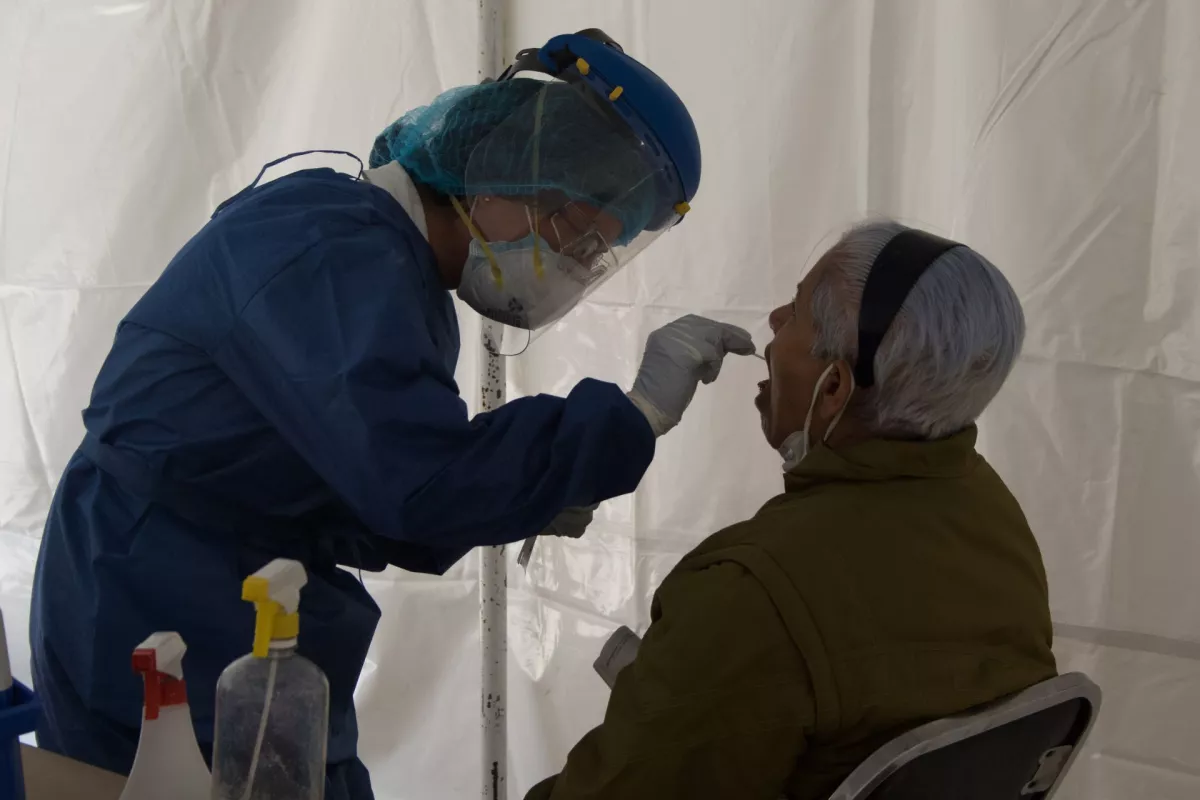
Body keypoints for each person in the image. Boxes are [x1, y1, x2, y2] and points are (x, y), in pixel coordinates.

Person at [29, 31, 753, 800]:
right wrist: (630, 418)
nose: (573, 264)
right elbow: (420, 483)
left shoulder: (396, 269)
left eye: (594, 251)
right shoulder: (333, 250)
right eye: (571, 231)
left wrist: (532, 489)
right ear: (498, 175)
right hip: (157, 596)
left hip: (220, 584)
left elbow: (380, 495)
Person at [527, 220, 1058, 800]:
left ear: (834, 388)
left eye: (798, 311)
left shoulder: (752, 589)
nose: (775, 319)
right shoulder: (991, 516)